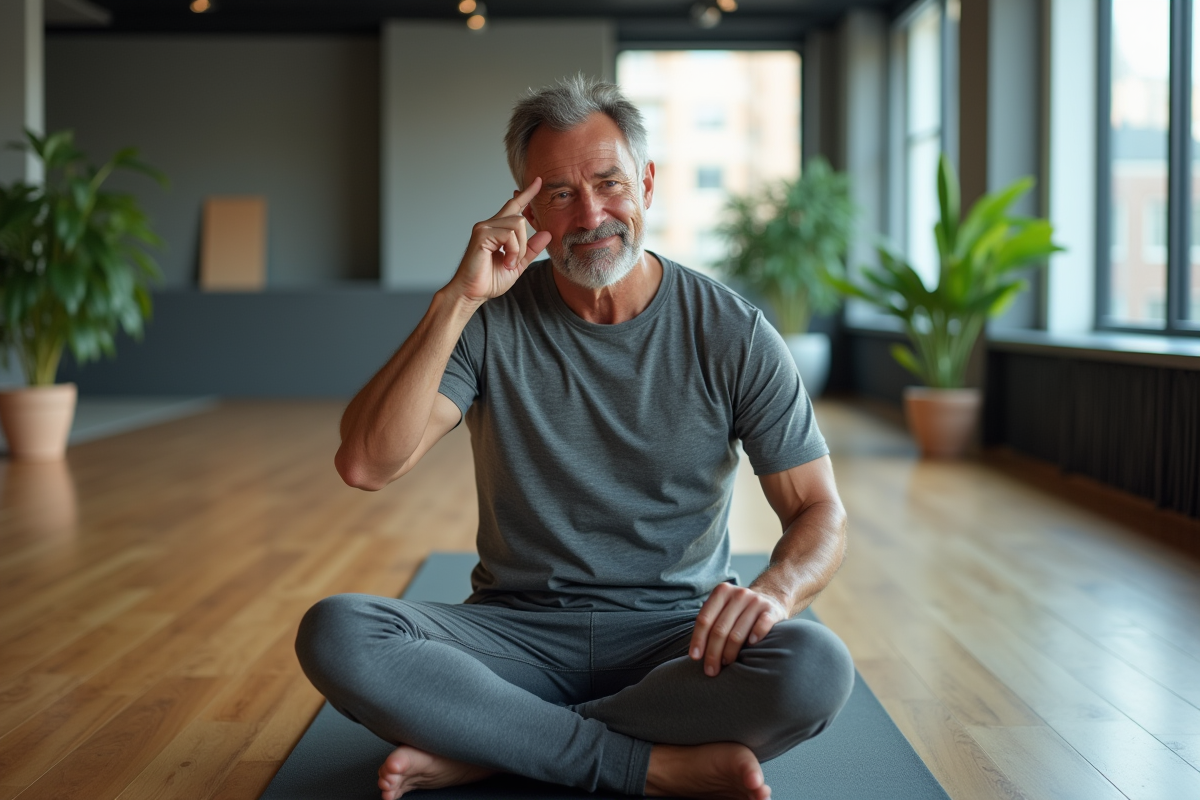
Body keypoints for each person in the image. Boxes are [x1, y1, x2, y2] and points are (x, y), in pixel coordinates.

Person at [295, 75, 855, 800]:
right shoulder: (489, 321)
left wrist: (774, 596)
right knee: (338, 632)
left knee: (815, 666)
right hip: (515, 633)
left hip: (678, 640)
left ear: (647, 183)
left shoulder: (733, 333)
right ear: (525, 210)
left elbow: (820, 511)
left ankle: (500, 743)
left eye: (608, 182)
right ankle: (639, 763)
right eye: (559, 194)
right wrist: (456, 299)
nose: (591, 214)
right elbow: (367, 463)